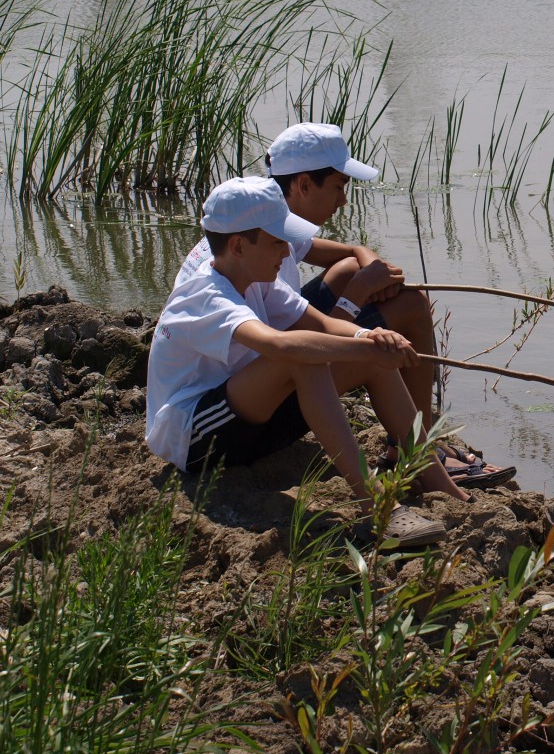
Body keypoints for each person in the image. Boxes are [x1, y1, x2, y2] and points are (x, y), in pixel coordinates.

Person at [173, 122, 513, 489]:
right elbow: (287, 348)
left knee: (403, 300)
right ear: (304, 185)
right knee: (358, 349)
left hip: (266, 359)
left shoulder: (261, 225)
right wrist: (359, 316)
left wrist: (369, 276)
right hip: (246, 390)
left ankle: (414, 444)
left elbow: (350, 257)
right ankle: (412, 458)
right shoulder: (252, 244)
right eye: (338, 187)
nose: (343, 200)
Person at [146, 176, 469, 547]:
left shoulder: (256, 278)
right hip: (197, 437)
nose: (287, 252)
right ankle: (376, 507)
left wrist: (369, 339)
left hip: (249, 418)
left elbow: (322, 323)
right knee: (302, 358)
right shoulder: (205, 294)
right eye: (277, 242)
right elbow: (279, 347)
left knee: (371, 361)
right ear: (237, 245)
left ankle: (442, 487)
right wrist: (360, 347)